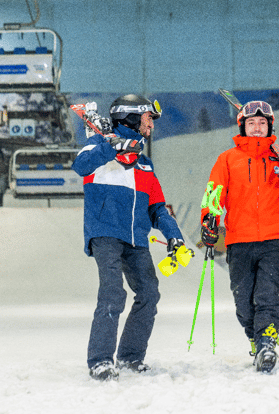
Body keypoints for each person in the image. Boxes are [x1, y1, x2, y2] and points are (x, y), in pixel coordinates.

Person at [200, 100, 279, 373]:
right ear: (243, 126)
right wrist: (209, 222)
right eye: (251, 123)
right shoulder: (227, 159)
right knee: (243, 301)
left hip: (273, 238)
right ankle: (256, 340)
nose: (256, 128)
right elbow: (214, 193)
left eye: (262, 124)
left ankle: (267, 344)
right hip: (238, 240)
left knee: (267, 295)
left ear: (269, 126)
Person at [72, 94, 185, 381]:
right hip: (105, 232)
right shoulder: (98, 144)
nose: (152, 125)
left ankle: (130, 356)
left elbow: (157, 208)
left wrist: (174, 237)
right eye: (149, 118)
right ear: (133, 117)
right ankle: (100, 360)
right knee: (113, 292)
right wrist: (113, 147)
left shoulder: (144, 164)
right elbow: (81, 165)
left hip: (135, 238)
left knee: (148, 292)